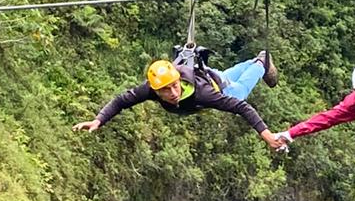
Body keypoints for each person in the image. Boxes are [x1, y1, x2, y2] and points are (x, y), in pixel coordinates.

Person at [74, 51, 287, 150]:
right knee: (225, 74)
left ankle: (261, 63)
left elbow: (242, 108)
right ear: (155, 91)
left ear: (178, 79)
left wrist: (266, 135)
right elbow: (121, 101)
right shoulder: (150, 89)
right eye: (165, 90)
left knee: (238, 91)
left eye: (174, 86)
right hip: (207, 73)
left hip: (213, 85)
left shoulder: (202, 94)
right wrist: (98, 120)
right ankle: (254, 59)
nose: (173, 92)